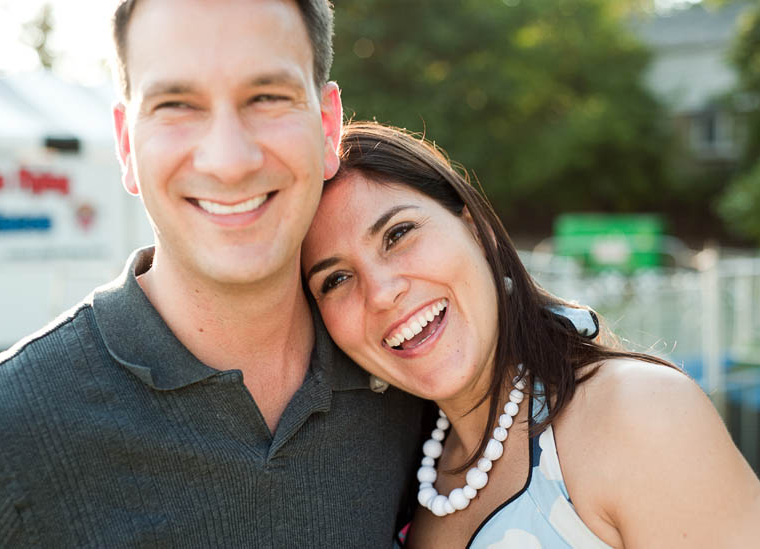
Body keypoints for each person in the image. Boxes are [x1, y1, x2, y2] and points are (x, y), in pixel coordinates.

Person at [0, 2, 426, 546]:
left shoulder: (410, 381)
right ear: (126, 144)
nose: (229, 160)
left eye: (266, 97)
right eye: (176, 105)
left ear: (327, 126)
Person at [301, 122, 760, 548]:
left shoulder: (639, 414)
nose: (381, 293)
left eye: (398, 234)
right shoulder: (395, 474)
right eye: (335, 280)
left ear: (476, 230)